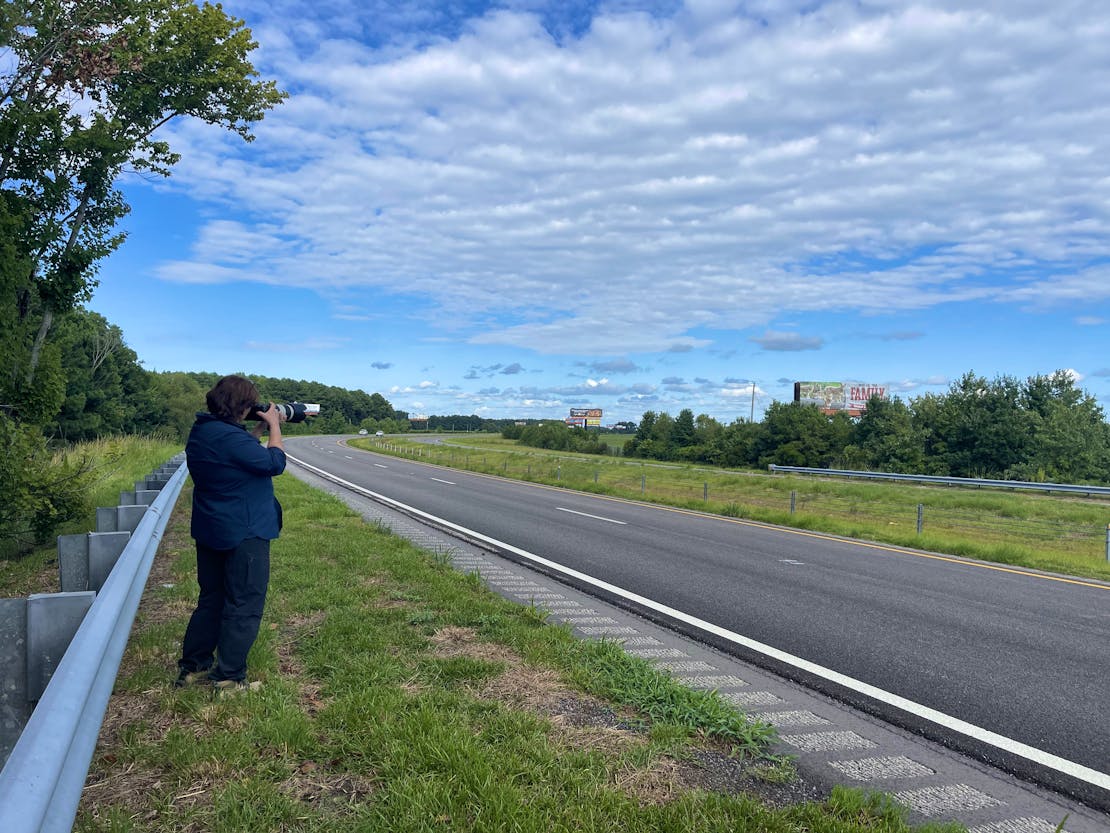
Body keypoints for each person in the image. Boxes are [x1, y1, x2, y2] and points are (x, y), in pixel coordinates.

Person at [175, 375, 286, 693]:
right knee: (244, 603)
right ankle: (228, 678)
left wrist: (257, 431)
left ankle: (194, 665)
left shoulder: (204, 432)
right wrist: (275, 427)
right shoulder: (229, 438)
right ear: (242, 405)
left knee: (212, 599)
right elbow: (273, 462)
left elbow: (235, 453)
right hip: (244, 532)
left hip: (212, 529)